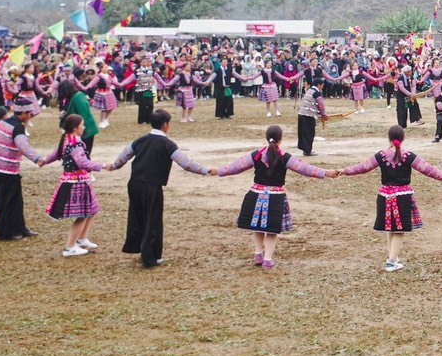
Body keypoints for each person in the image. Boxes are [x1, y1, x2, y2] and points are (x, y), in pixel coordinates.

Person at [337, 125, 442, 272]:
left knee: (390, 227)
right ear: (403, 138)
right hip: (402, 197)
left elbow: (363, 167)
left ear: (389, 138)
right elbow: (428, 170)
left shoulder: (380, 155)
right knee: (399, 230)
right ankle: (392, 262)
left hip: (384, 196)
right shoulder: (409, 156)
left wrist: (345, 171)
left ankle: (392, 258)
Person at [108, 109, 216, 269]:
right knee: (153, 219)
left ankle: (138, 247)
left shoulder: (140, 140)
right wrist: (205, 170)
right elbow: (185, 163)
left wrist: (114, 166)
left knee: (137, 216)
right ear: (165, 125)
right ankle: (150, 257)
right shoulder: (167, 144)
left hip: (134, 183)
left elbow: (124, 155)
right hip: (152, 185)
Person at [216, 125, 334, 270]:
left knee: (257, 227)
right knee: (272, 230)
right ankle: (268, 259)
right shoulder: (285, 157)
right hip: (275, 197)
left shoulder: (256, 155)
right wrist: (326, 173)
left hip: (255, 194)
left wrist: (217, 171)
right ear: (281, 139)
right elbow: (305, 169)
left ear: (267, 138)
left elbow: (236, 166)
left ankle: (258, 254)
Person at [44, 114, 105, 258]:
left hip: (78, 179)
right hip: (76, 181)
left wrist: (43, 161)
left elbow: (56, 153)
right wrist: (102, 166)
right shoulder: (75, 144)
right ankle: (69, 247)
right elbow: (82, 163)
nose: (84, 127)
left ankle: (82, 238)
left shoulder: (67, 139)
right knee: (83, 214)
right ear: (75, 128)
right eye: (82, 125)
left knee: (92, 209)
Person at [0, 97, 45, 242]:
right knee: (9, 200)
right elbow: (23, 146)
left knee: (5, 198)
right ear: (23, 113)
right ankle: (4, 233)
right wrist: (38, 158)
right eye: (30, 113)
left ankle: (19, 227)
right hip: (6, 168)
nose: (31, 115)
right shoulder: (18, 128)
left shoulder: (3, 122)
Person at [296, 81, 327, 157]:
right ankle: (307, 151)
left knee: (303, 132)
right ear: (319, 85)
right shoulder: (317, 93)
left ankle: (305, 149)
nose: (322, 87)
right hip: (308, 115)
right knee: (309, 133)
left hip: (301, 113)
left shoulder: (309, 91)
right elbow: (321, 105)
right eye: (322, 85)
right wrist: (324, 114)